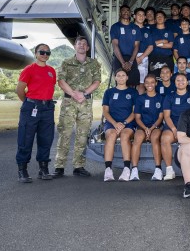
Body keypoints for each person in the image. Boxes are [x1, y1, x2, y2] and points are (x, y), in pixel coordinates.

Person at [53, 36, 101, 177]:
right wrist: (74, 94)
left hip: (85, 103)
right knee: (65, 134)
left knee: (83, 134)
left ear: (87, 48)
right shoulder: (66, 63)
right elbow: (61, 81)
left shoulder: (93, 64)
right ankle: (59, 166)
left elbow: (97, 81)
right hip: (69, 102)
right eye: (79, 43)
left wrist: (84, 94)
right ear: (74, 46)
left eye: (84, 44)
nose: (81, 46)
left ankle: (78, 166)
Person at [15, 43, 57, 183]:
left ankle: (43, 169)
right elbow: (20, 90)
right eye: (42, 52)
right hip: (31, 107)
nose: (45, 54)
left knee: (46, 139)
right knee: (26, 139)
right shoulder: (29, 69)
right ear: (36, 53)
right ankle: (23, 170)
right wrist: (29, 103)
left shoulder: (51, 70)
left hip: (48, 108)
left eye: (47, 52)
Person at [101, 69, 138, 182]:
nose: (121, 77)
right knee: (111, 135)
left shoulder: (133, 92)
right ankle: (108, 170)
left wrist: (124, 123)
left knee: (125, 135)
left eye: (123, 75)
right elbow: (105, 111)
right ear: (115, 78)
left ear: (127, 77)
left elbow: (135, 112)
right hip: (112, 122)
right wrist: (115, 123)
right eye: (118, 75)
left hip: (128, 122)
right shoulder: (109, 92)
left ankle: (126, 168)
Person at [157, 73, 190, 180]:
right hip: (173, 126)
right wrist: (174, 129)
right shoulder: (169, 96)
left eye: (183, 80)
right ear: (175, 82)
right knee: (164, 138)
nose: (180, 82)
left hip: (189, 126)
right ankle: (169, 170)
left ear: (187, 82)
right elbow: (167, 116)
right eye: (178, 80)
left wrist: (184, 130)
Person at [131, 74, 164, 181]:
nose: (150, 84)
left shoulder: (160, 98)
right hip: (142, 126)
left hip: (156, 127)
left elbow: (161, 116)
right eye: (147, 82)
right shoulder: (140, 98)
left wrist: (152, 127)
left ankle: (158, 169)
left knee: (155, 138)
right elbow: (137, 117)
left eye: (152, 82)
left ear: (156, 83)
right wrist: (145, 128)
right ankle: (134, 170)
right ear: (144, 84)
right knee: (138, 138)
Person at [110, 4, 140, 88]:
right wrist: (123, 62)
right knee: (120, 83)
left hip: (132, 58)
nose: (126, 12)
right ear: (120, 13)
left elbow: (136, 46)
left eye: (127, 10)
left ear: (130, 13)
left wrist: (130, 62)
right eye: (123, 10)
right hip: (119, 58)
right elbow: (115, 44)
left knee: (133, 83)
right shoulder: (115, 27)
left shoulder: (135, 28)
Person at [134, 7, 154, 94]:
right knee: (130, 81)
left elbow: (151, 46)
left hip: (143, 57)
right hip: (130, 57)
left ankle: (139, 104)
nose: (141, 17)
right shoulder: (130, 28)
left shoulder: (147, 30)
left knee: (142, 83)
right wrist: (133, 59)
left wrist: (141, 58)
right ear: (134, 16)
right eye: (139, 15)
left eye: (143, 15)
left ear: (145, 17)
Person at [149, 10, 175, 78]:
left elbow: (170, 45)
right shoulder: (151, 31)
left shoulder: (169, 31)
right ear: (155, 20)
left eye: (161, 16)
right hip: (154, 58)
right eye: (157, 16)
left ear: (165, 19)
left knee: (167, 78)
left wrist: (156, 44)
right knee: (154, 79)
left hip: (167, 58)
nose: (159, 17)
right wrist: (162, 41)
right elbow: (149, 45)